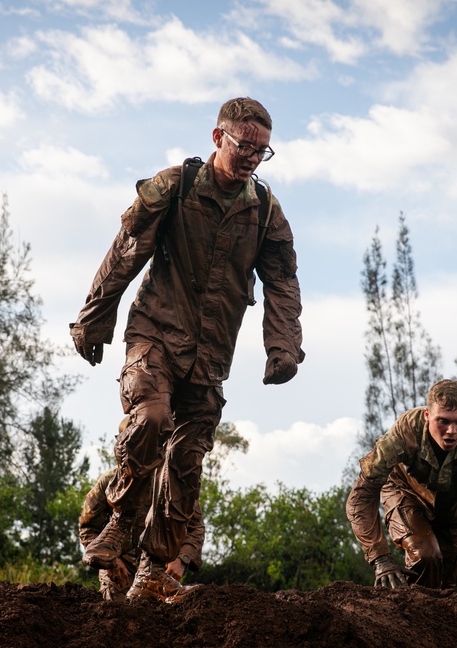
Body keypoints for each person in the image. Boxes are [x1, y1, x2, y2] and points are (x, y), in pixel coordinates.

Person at [70, 97, 304, 601]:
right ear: (218, 137)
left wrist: (283, 344)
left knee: (187, 463)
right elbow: (126, 250)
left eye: (263, 152)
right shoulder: (173, 187)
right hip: (155, 333)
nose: (251, 159)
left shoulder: (264, 210)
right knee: (151, 418)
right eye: (244, 146)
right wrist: (94, 317)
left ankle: (155, 570)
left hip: (211, 356)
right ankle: (120, 521)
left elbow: (283, 280)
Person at [345, 379, 457, 589]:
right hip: (405, 490)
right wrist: (380, 558)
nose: (452, 431)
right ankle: (411, 615)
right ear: (427, 415)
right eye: (443, 421)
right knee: (425, 555)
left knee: (449, 577)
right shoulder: (404, 432)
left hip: (454, 498)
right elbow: (362, 496)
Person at [79, 466, 205, 603]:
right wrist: (110, 561)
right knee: (113, 613)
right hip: (121, 569)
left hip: (159, 568)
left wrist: (182, 560)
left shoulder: (174, 484)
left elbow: (196, 528)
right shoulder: (111, 480)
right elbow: (88, 528)